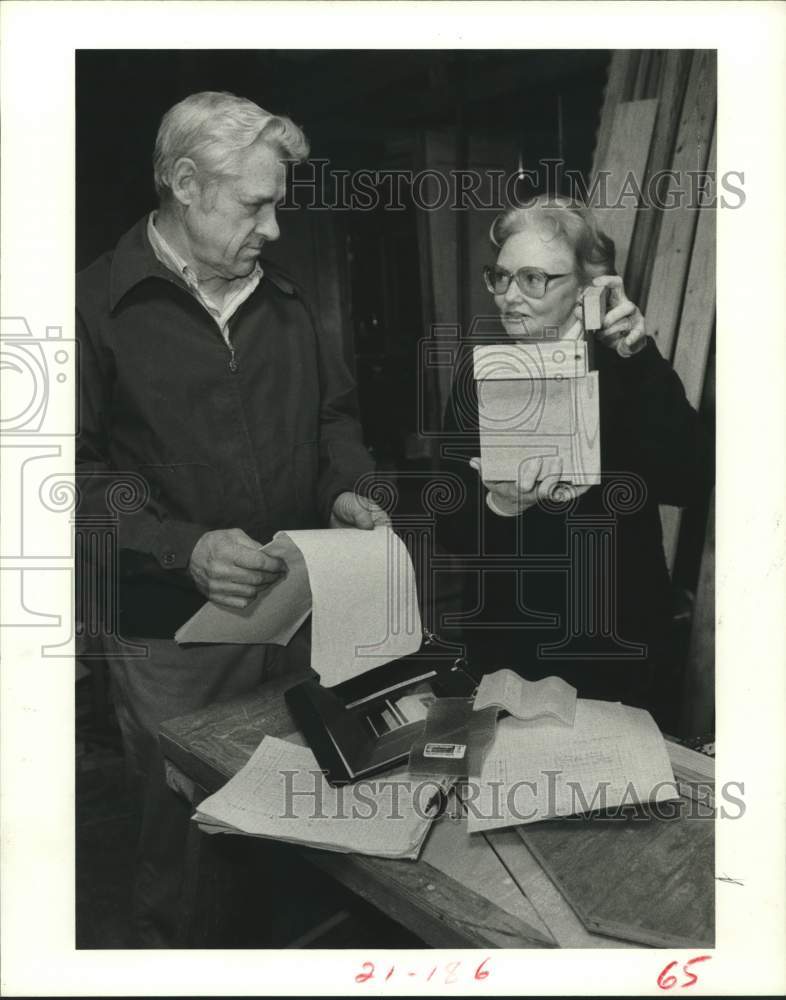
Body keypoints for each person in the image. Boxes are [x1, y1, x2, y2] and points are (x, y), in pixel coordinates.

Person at [75, 91, 385, 946]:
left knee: (295, 814)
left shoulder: (287, 303)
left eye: (278, 201)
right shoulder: (94, 308)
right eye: (256, 203)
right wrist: (184, 549)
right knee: (189, 845)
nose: (275, 227)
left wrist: (346, 488)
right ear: (184, 183)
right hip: (172, 634)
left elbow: (334, 422)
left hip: (293, 614)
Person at [436, 196, 710, 708]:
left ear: (585, 287)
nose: (509, 296)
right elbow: (449, 521)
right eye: (501, 277)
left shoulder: (626, 369)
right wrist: (501, 506)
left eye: (534, 278)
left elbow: (691, 480)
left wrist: (640, 360)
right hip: (508, 641)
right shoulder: (480, 373)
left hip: (616, 644)